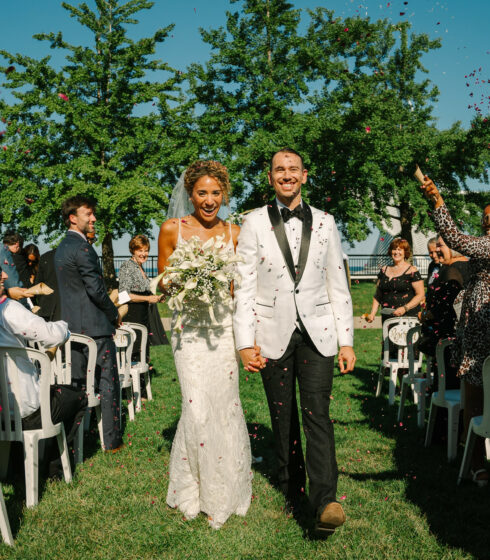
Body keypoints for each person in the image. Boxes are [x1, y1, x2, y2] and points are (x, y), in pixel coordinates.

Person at [234, 148, 356, 535]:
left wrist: (347, 341)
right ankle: (291, 489)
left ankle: (326, 501)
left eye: (293, 169)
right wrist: (244, 342)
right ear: (270, 178)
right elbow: (245, 288)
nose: (286, 175)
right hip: (272, 333)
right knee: (282, 418)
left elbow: (339, 283)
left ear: (305, 175)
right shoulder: (252, 223)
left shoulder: (326, 222)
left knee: (316, 413)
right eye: (278, 170)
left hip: (319, 334)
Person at [158, 160, 252, 529]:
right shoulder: (171, 230)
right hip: (189, 332)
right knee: (196, 409)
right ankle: (193, 489)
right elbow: (162, 283)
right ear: (190, 193)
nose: (209, 200)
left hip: (223, 330)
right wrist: (186, 277)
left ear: (224, 195)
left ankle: (226, 490)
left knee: (223, 406)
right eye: (202, 193)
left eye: (216, 193)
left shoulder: (236, 232)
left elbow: (240, 289)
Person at [421, 177, 490, 486]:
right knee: (474, 395)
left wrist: (438, 203)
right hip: (475, 329)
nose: (487, 222)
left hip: (483, 326)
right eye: (485, 219)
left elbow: (457, 240)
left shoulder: (484, 245)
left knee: (478, 394)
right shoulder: (484, 245)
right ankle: (475, 461)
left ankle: (474, 455)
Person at [0, 268, 87, 473]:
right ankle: (53, 467)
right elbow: (51, 335)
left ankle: (12, 463)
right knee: (78, 396)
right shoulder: (9, 310)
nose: (4, 275)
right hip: (24, 411)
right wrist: (64, 327)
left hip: (2, 412)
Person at [55, 195, 123, 452]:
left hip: (72, 328)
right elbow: (96, 290)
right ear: (73, 218)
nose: (93, 218)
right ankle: (111, 441)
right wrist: (113, 313)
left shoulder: (62, 248)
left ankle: (73, 440)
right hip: (95, 328)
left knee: (77, 385)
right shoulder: (83, 248)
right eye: (88, 214)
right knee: (108, 382)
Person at [420, 235, 469, 388]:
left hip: (450, 336)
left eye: (440, 246)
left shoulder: (452, 270)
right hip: (455, 335)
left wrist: (428, 314)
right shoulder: (464, 267)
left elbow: (446, 305)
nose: (437, 250)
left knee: (448, 383)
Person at [118, 234, 167, 363]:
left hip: (143, 317)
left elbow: (145, 293)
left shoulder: (140, 267)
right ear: (133, 251)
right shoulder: (127, 266)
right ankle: (134, 382)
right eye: (140, 250)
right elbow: (123, 296)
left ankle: (142, 380)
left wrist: (156, 298)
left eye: (146, 250)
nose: (144, 254)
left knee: (143, 353)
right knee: (133, 353)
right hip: (132, 316)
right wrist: (148, 299)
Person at [365, 238, 424, 324]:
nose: (396, 252)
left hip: (408, 317)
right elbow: (378, 295)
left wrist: (405, 308)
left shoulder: (412, 271)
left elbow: (420, 294)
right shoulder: (384, 270)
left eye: (400, 250)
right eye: (394, 249)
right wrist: (372, 314)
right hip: (387, 318)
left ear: (405, 252)